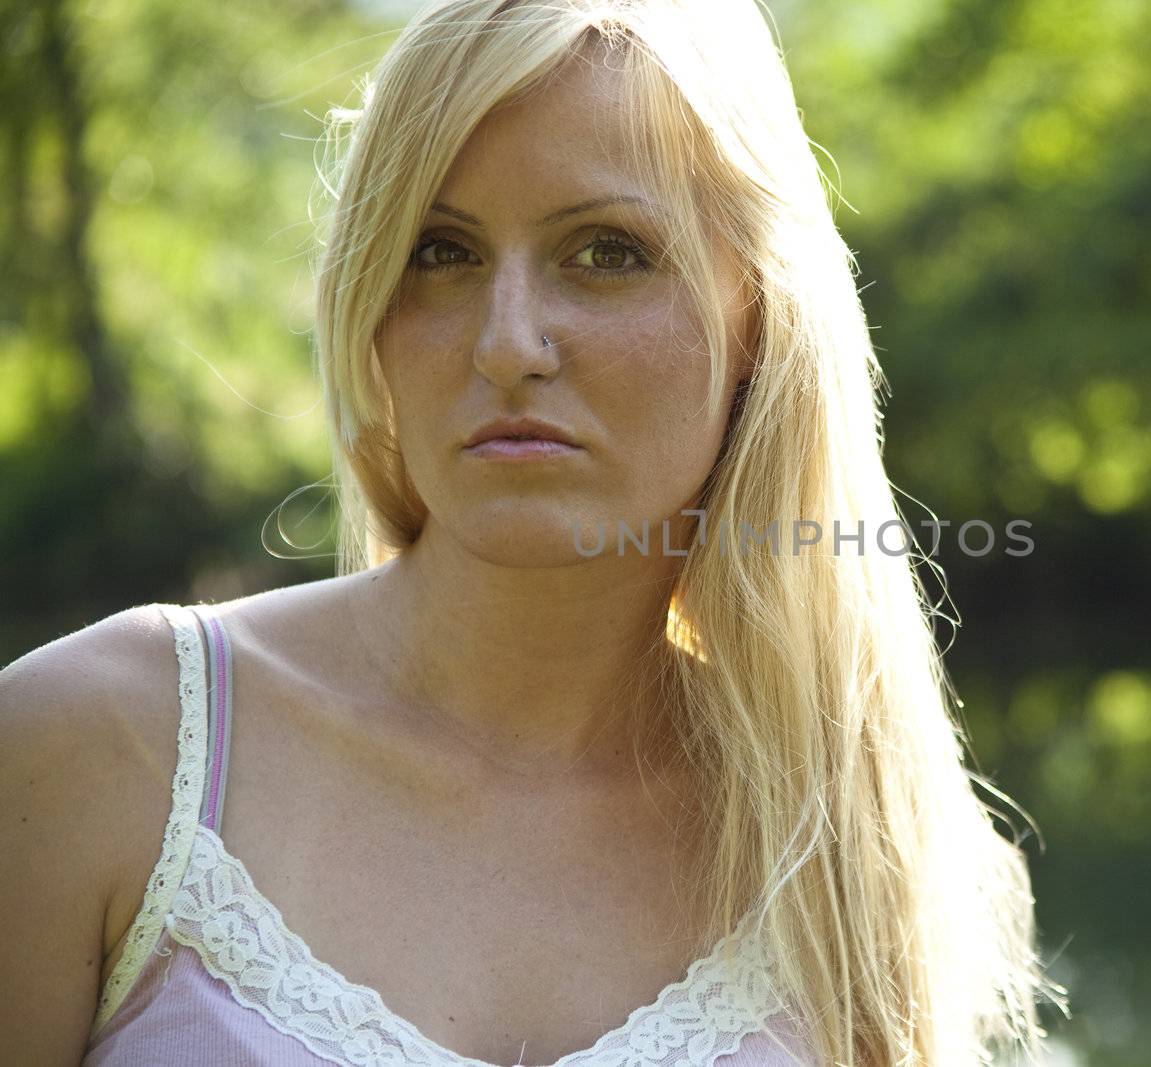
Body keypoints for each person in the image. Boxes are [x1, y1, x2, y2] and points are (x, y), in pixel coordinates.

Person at [0, 0, 1067, 1063]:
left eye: (606, 252)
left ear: (759, 320)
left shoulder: (852, 844)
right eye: (440, 251)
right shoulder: (104, 748)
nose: (509, 345)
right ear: (368, 308)